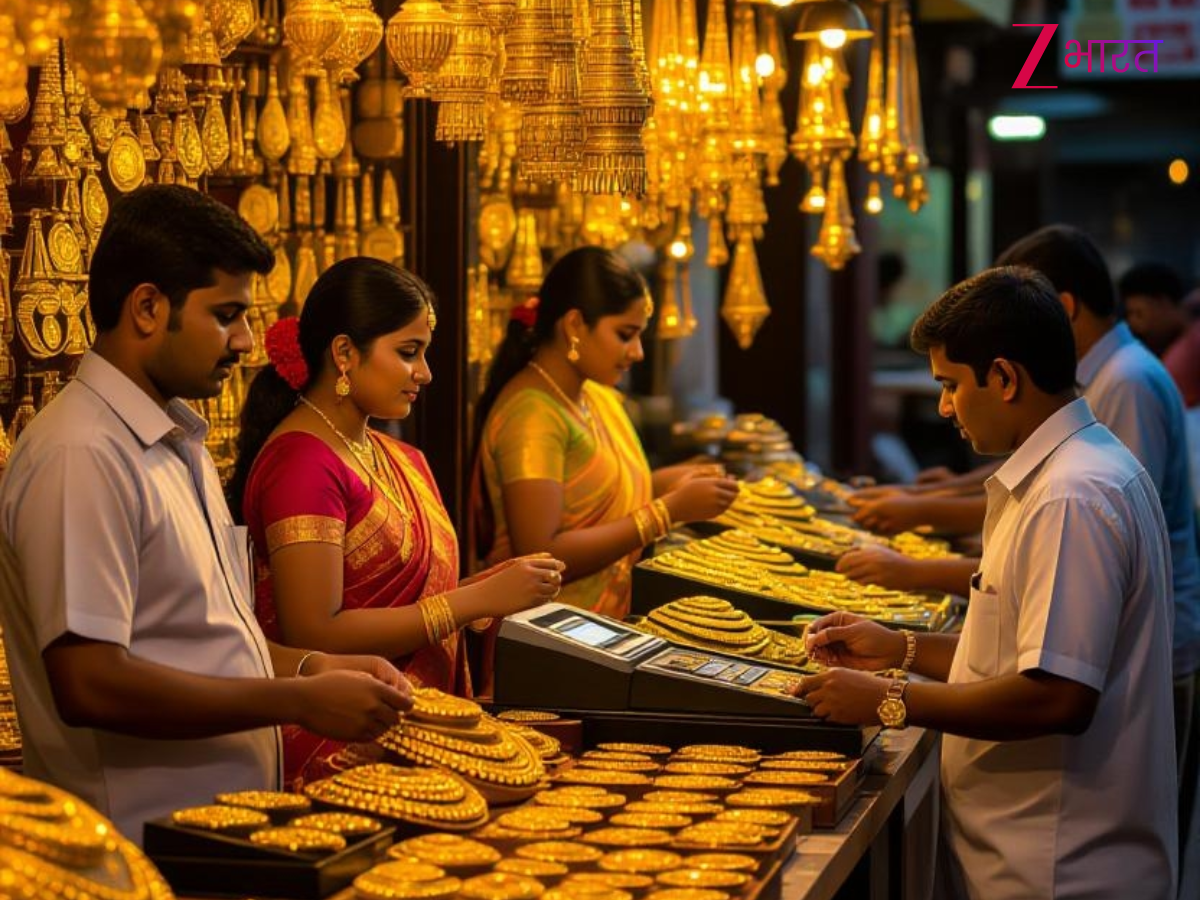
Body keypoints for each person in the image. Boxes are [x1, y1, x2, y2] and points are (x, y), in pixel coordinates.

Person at [0, 185, 413, 844]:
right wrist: (298, 701)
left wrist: (310, 668)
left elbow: (197, 640)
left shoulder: (173, 442)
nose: (246, 341)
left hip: (215, 840)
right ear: (146, 307)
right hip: (135, 849)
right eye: (226, 315)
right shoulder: (81, 452)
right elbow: (91, 683)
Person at [798, 265, 1177, 900]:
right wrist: (899, 647)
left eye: (950, 385)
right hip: (1023, 851)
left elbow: (1058, 694)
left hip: (1060, 865)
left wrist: (892, 697)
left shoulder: (1072, 494)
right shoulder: (1058, 473)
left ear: (1004, 378)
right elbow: (1010, 652)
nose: (944, 407)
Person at [229, 257, 566, 786]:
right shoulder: (300, 463)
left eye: (423, 353)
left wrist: (495, 590)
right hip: (340, 743)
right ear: (344, 353)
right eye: (408, 353)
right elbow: (314, 629)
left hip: (419, 729)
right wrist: (474, 601)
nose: (425, 373)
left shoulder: (397, 456)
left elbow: (415, 603)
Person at [471, 246, 738, 619]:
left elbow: (593, 500)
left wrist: (670, 484)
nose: (638, 352)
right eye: (625, 334)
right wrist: (667, 511)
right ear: (575, 325)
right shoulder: (531, 414)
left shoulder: (597, 396)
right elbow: (541, 556)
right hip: (546, 640)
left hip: (602, 628)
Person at [1119, 262, 1200, 408]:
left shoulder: (1192, 344)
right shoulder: (1178, 345)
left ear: (1163, 302)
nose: (1132, 323)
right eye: (1129, 315)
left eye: (1138, 313)